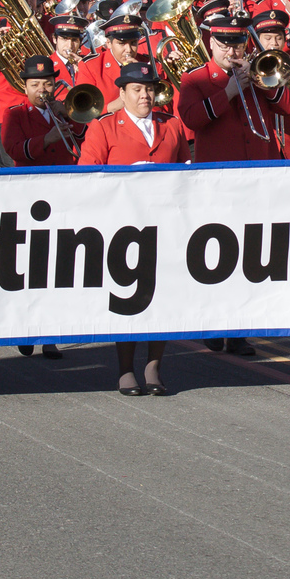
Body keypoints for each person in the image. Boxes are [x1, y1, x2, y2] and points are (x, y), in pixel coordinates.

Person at [76, 63, 183, 394]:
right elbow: (87, 176)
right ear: (122, 94)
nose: (145, 95)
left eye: (149, 88)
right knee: (128, 296)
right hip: (123, 225)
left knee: (162, 296)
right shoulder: (104, 127)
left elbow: (185, 173)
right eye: (137, 89)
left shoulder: (172, 126)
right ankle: (125, 368)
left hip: (163, 224)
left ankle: (154, 366)